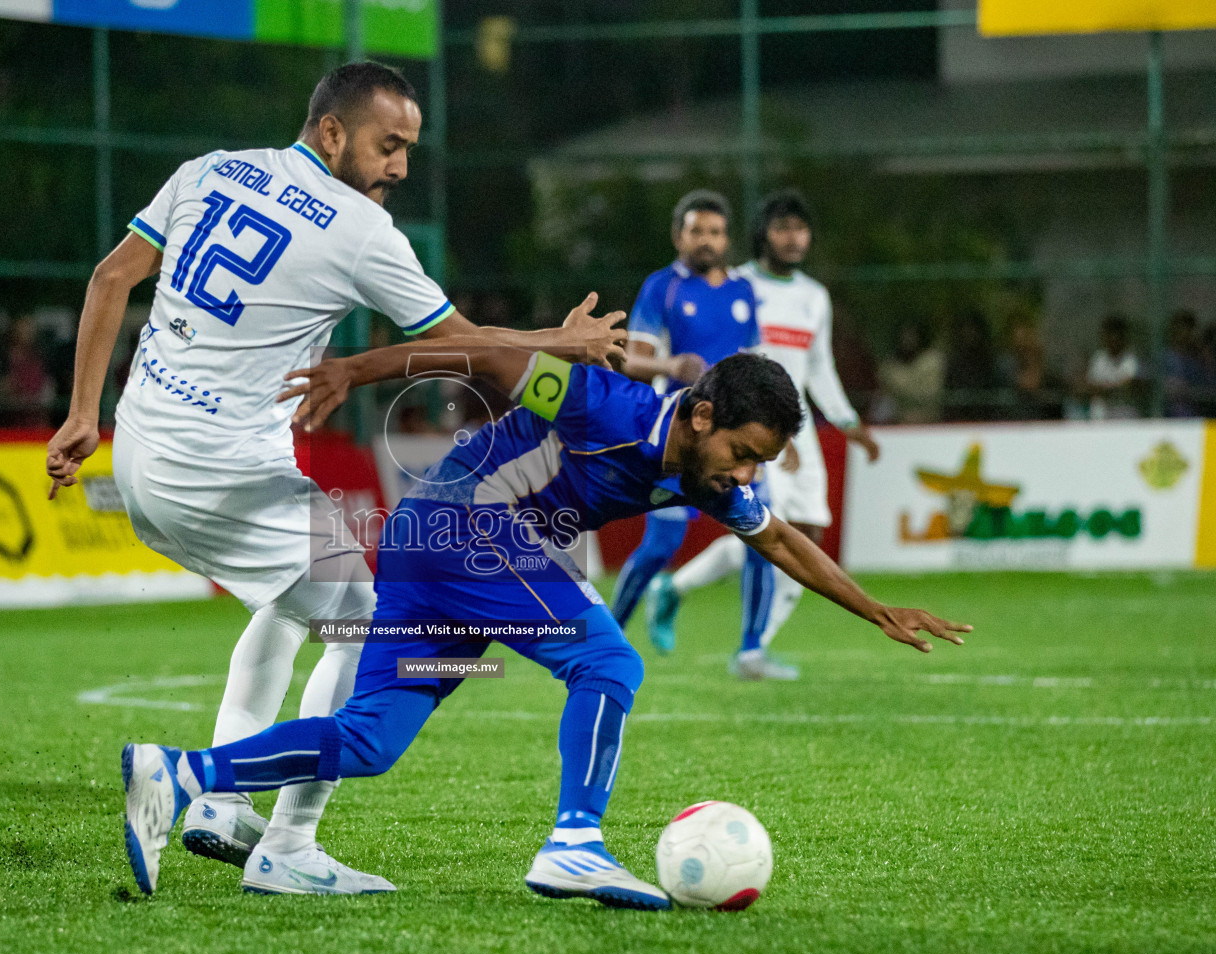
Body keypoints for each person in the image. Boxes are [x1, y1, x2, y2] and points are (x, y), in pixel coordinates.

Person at [45, 60, 629, 896]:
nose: (398, 166)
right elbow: (460, 341)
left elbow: (110, 279)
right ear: (331, 132)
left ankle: (218, 807)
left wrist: (79, 415)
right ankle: (288, 845)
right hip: (218, 469)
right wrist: (559, 343)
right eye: (388, 145)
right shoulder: (358, 230)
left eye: (408, 150)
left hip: (141, 452)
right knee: (369, 620)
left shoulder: (209, 169)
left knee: (294, 602)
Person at [119, 348, 970, 905]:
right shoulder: (605, 402)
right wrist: (357, 368)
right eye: (744, 453)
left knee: (371, 739)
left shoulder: (712, 478)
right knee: (608, 662)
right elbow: (483, 353)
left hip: (428, 547)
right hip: (468, 531)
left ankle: (180, 773)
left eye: (759, 464)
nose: (745, 474)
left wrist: (878, 610)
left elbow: (779, 538)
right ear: (703, 415)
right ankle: (574, 843)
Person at [647, 189, 880, 679]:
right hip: (749, 429)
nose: (793, 238)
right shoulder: (739, 285)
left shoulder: (814, 296)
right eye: (782, 228)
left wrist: (848, 422)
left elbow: (819, 368)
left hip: (798, 432)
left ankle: (684, 592)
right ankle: (752, 648)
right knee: (768, 530)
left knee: (806, 534)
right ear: (761, 235)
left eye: (800, 229)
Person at [609, 189, 758, 631]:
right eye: (697, 232)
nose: (706, 241)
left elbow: (754, 362)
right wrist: (671, 365)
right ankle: (610, 633)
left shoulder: (744, 291)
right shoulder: (663, 287)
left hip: (732, 439)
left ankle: (752, 648)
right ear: (679, 237)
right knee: (660, 547)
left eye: (715, 232)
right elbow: (629, 361)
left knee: (760, 536)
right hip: (677, 433)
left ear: (727, 238)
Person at [875, 319, 945, 424]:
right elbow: (885, 395)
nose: (907, 340)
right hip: (897, 422)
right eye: (904, 335)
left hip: (929, 421)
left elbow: (929, 395)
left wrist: (899, 386)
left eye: (912, 335)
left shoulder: (932, 361)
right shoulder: (890, 365)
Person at [1082, 315, 1142, 420]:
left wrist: (1105, 388)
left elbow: (1129, 386)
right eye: (1109, 335)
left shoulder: (1131, 359)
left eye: (1117, 335)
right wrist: (1113, 386)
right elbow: (1089, 387)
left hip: (1125, 416)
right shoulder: (1098, 358)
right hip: (1101, 416)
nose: (1113, 339)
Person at [1162, 311, 1206, 419]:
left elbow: (1204, 387)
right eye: (1180, 328)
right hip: (1165, 411)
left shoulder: (1198, 359)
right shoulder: (1163, 356)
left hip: (1194, 411)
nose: (1184, 333)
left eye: (1188, 329)